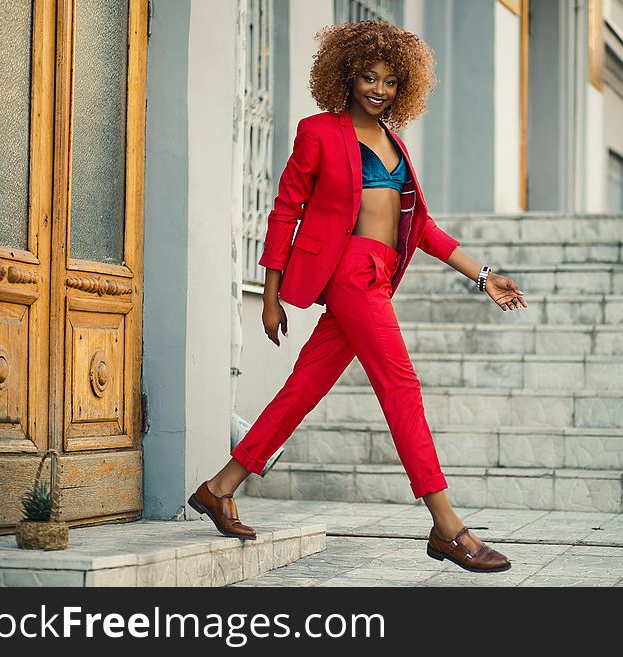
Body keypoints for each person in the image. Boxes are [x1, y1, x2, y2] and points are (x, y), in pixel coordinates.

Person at [187, 20, 526, 574]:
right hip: (348, 273)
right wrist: (270, 295)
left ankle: (219, 487)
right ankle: (447, 526)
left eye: (390, 81)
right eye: (368, 76)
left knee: (303, 388)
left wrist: (482, 274)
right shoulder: (319, 131)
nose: (379, 89)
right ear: (346, 75)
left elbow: (423, 228)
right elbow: (285, 210)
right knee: (401, 386)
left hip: (378, 274)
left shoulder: (394, 144)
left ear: (403, 88)